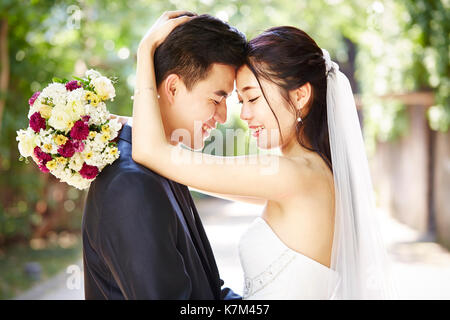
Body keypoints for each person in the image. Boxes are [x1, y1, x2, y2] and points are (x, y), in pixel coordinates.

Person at [131, 13, 397, 299]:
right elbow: (185, 171)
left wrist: (146, 51)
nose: (244, 115)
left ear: (299, 96)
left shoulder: (292, 175)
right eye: (241, 102)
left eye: (253, 98)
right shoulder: (312, 172)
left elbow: (151, 152)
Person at [82, 11, 247, 299]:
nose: (223, 116)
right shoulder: (131, 184)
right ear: (173, 87)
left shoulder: (164, 162)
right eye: (216, 98)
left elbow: (208, 292)